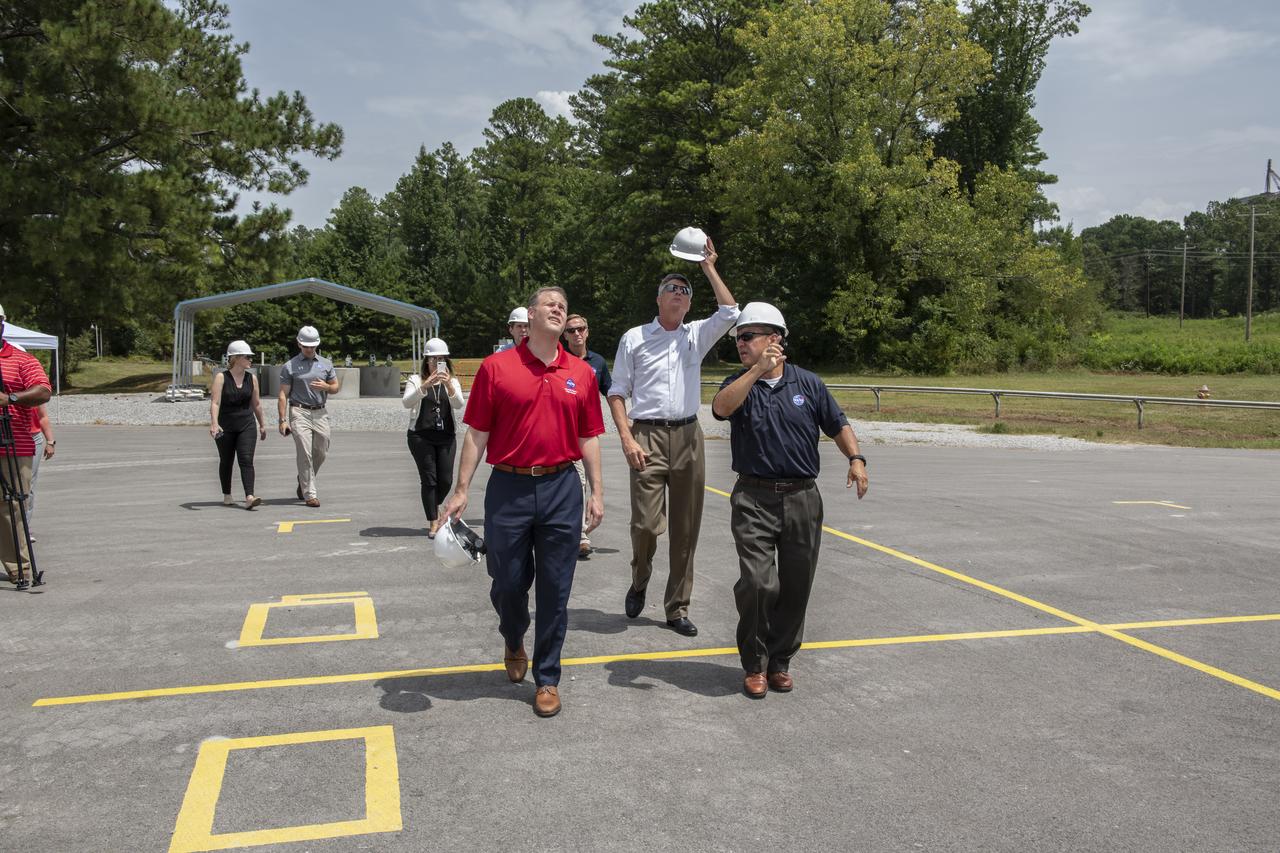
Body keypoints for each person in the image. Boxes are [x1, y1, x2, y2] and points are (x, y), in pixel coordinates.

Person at [441, 286, 605, 718]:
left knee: (556, 590)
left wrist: (598, 492)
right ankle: (514, 637)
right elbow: (476, 433)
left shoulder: (582, 374)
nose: (558, 309)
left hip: (560, 489)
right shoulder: (497, 369)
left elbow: (588, 436)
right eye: (549, 304)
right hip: (508, 489)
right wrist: (461, 489)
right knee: (508, 583)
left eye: (563, 306)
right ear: (529, 316)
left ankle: (547, 677)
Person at [711, 303, 869, 698]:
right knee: (759, 583)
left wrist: (856, 458)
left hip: (802, 497)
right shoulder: (739, 382)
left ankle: (779, 661)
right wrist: (755, 371)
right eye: (738, 338)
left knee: (797, 585)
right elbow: (720, 408)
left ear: (775, 339)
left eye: (748, 337)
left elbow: (838, 424)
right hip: (753, 496)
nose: (741, 344)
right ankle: (754, 663)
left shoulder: (808, 384)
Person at [607, 236, 739, 637]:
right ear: (659, 297)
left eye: (685, 291)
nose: (679, 294)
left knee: (686, 528)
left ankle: (676, 607)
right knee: (646, 525)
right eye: (672, 289)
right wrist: (628, 440)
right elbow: (616, 392)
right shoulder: (634, 338)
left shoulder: (695, 335)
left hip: (687, 437)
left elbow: (731, 311)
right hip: (645, 435)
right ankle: (640, 576)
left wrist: (708, 267)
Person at [0, 305, 52, 585]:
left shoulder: (22, 359)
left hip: (14, 444)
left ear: (2, 324)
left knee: (12, 507)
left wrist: (11, 399)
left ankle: (19, 567)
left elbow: (43, 391)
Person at [402, 337, 464, 537]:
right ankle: (433, 522)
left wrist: (450, 387)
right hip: (421, 436)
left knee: (445, 479)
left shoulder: (451, 381)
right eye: (432, 359)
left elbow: (458, 405)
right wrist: (425, 386)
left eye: (441, 359)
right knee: (429, 479)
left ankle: (433, 504)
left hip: (445, 436)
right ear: (426, 361)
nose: (437, 363)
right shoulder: (415, 379)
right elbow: (406, 402)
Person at [561, 313, 610, 558]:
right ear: (564, 335)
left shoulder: (598, 363)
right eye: (571, 330)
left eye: (581, 328)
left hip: (584, 436)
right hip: (560, 435)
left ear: (588, 331)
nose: (577, 333)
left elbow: (612, 393)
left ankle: (580, 534)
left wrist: (626, 427)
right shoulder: (559, 360)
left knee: (582, 483)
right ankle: (570, 532)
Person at [278, 325, 340, 507]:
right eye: (306, 346)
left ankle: (303, 478)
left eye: (313, 346)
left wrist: (327, 387)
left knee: (321, 451)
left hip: (320, 411)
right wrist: (282, 420)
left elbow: (335, 387)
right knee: (304, 452)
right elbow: (283, 394)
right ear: (299, 344)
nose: (309, 349)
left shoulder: (326, 364)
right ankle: (309, 494)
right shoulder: (289, 366)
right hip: (299, 411)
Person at [210, 340, 267, 509]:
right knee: (226, 460)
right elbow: (215, 403)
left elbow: (256, 404)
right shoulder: (221, 377)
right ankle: (227, 494)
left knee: (246, 459)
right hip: (225, 425)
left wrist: (262, 424)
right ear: (235, 358)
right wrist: (214, 423)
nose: (250, 360)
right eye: (247, 357)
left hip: (246, 424)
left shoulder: (252, 378)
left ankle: (249, 496)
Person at [27, 403, 53, 522]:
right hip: (8, 437)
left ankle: (24, 527)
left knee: (28, 485)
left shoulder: (34, 386)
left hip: (33, 438)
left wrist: (50, 442)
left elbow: (42, 416)